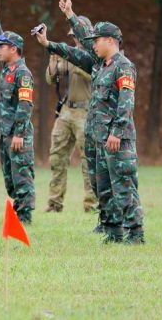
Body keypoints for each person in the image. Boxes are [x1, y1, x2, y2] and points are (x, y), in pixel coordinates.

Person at [33, 0, 145, 244]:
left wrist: (117, 132)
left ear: (109, 41)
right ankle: (113, 231)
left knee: (123, 185)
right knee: (101, 185)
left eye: (96, 41)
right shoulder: (99, 65)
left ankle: (135, 232)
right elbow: (73, 52)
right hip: (97, 137)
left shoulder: (122, 67)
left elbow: (127, 103)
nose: (91, 44)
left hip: (116, 139)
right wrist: (48, 43)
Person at [0, 0, 35, 225]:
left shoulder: (22, 73)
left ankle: (24, 217)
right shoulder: (8, 69)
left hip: (17, 134)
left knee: (21, 175)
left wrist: (19, 134)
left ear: (13, 49)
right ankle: (17, 212)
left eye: (2, 47)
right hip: (6, 133)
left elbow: (25, 106)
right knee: (9, 178)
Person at [45, 29, 97, 213]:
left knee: (89, 160)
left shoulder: (95, 56)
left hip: (86, 111)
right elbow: (50, 79)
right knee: (57, 157)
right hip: (67, 110)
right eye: (72, 37)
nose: (75, 39)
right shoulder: (69, 54)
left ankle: (92, 204)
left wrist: (77, 63)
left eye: (77, 36)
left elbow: (95, 76)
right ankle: (54, 203)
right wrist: (53, 62)